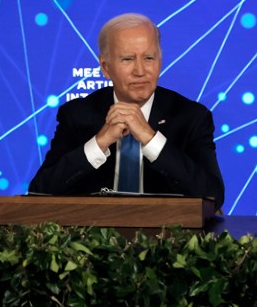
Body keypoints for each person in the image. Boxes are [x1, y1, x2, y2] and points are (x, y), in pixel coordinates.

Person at [29, 13, 225, 209]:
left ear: (160, 61)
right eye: (128, 59)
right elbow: (39, 192)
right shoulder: (77, 115)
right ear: (105, 67)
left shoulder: (191, 117)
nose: (140, 71)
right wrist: (99, 143)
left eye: (149, 58)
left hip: (168, 235)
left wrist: (150, 138)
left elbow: (213, 196)